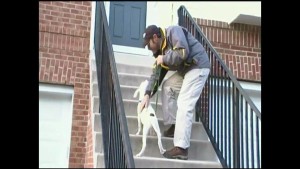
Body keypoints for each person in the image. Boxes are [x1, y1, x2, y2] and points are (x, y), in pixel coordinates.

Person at [140, 25, 211, 160]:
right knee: (168, 86)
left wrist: (164, 58)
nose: (148, 48)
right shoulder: (160, 51)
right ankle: (174, 126)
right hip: (186, 70)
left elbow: (182, 53)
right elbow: (157, 75)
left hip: (198, 66)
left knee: (184, 103)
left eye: (148, 44)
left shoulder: (173, 31)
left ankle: (181, 148)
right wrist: (147, 93)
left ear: (155, 38)